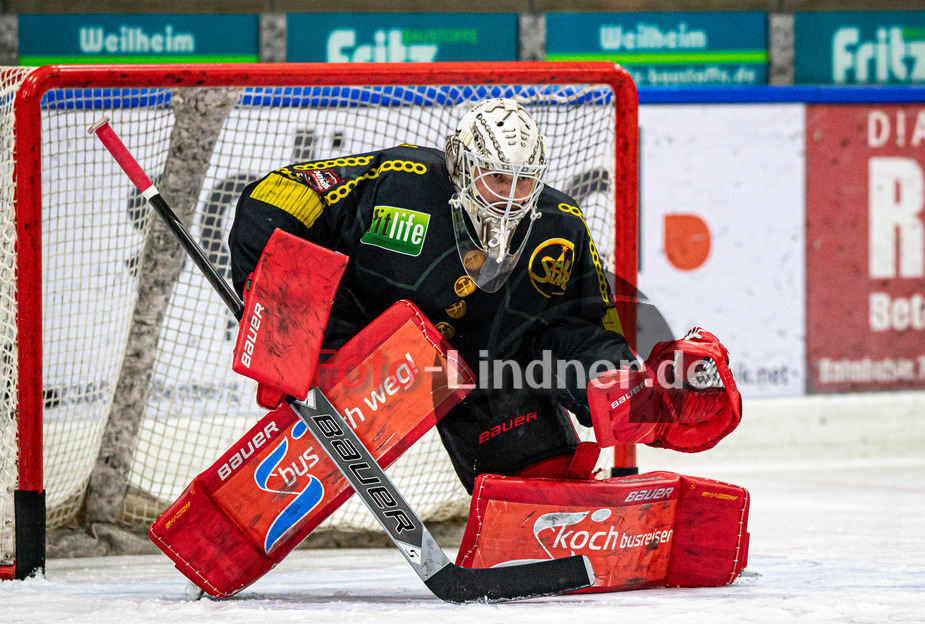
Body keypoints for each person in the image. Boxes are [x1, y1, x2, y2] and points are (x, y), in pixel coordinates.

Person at [228, 97, 737, 493]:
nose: (510, 195)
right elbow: (275, 196)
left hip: (481, 372)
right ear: (462, 165)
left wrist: (632, 392)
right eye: (496, 177)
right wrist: (289, 319)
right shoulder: (398, 183)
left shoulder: (561, 226)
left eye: (523, 181)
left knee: (536, 481)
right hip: (362, 350)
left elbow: (583, 331)